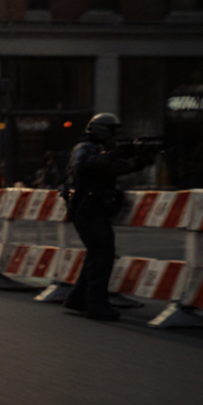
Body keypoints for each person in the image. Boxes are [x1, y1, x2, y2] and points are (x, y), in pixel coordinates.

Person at [63, 113, 154, 321]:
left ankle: (78, 298)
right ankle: (96, 304)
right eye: (111, 130)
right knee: (102, 253)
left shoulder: (94, 149)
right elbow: (97, 167)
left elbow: (109, 167)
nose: (114, 135)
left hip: (90, 208)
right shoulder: (86, 149)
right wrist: (133, 160)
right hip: (88, 208)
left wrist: (133, 159)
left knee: (98, 253)